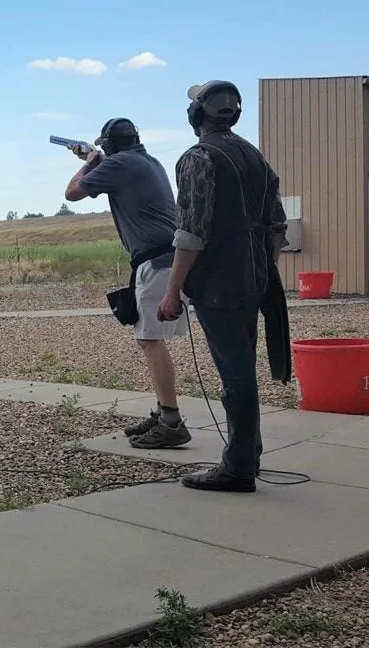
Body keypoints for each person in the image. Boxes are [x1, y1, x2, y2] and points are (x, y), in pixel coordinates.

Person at [158, 80, 290, 493]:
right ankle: (247, 454)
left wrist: (171, 290)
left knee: (235, 376)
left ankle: (237, 468)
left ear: (196, 116)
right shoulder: (252, 155)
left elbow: (191, 233)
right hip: (255, 276)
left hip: (220, 281)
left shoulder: (199, 157)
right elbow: (277, 226)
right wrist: (260, 268)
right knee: (241, 369)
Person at [64, 117, 192, 449]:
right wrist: (97, 162)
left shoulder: (118, 163)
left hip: (157, 260)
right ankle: (164, 411)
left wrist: (90, 163)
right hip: (165, 257)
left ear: (108, 145)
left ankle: (171, 421)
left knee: (150, 340)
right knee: (148, 339)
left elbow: (73, 193)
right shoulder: (145, 160)